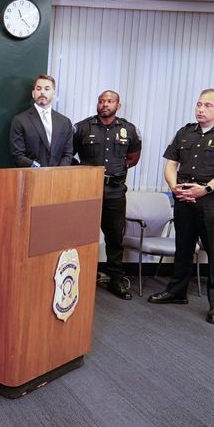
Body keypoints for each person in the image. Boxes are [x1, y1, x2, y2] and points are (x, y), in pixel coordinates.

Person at [148, 88, 214, 325]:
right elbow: (171, 164)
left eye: (208, 106)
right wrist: (174, 187)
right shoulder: (185, 132)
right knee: (182, 247)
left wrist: (205, 189)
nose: (201, 109)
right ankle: (177, 292)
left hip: (213, 201)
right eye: (199, 104)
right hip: (184, 198)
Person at [74, 90, 142, 300]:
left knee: (114, 237)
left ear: (118, 105)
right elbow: (68, 154)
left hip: (114, 191)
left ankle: (116, 280)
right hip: (87, 192)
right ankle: (81, 278)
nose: (105, 104)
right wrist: (82, 172)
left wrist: (119, 169)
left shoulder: (129, 129)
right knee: (83, 237)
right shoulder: (82, 127)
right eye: (101, 101)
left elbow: (133, 157)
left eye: (110, 101)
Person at [10, 74, 74, 168]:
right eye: (38, 89)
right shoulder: (20, 120)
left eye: (47, 89)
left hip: (58, 178)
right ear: (33, 93)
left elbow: (68, 154)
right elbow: (18, 155)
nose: (42, 92)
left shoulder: (65, 122)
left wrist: (58, 173)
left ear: (53, 93)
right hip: (31, 176)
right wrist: (38, 169)